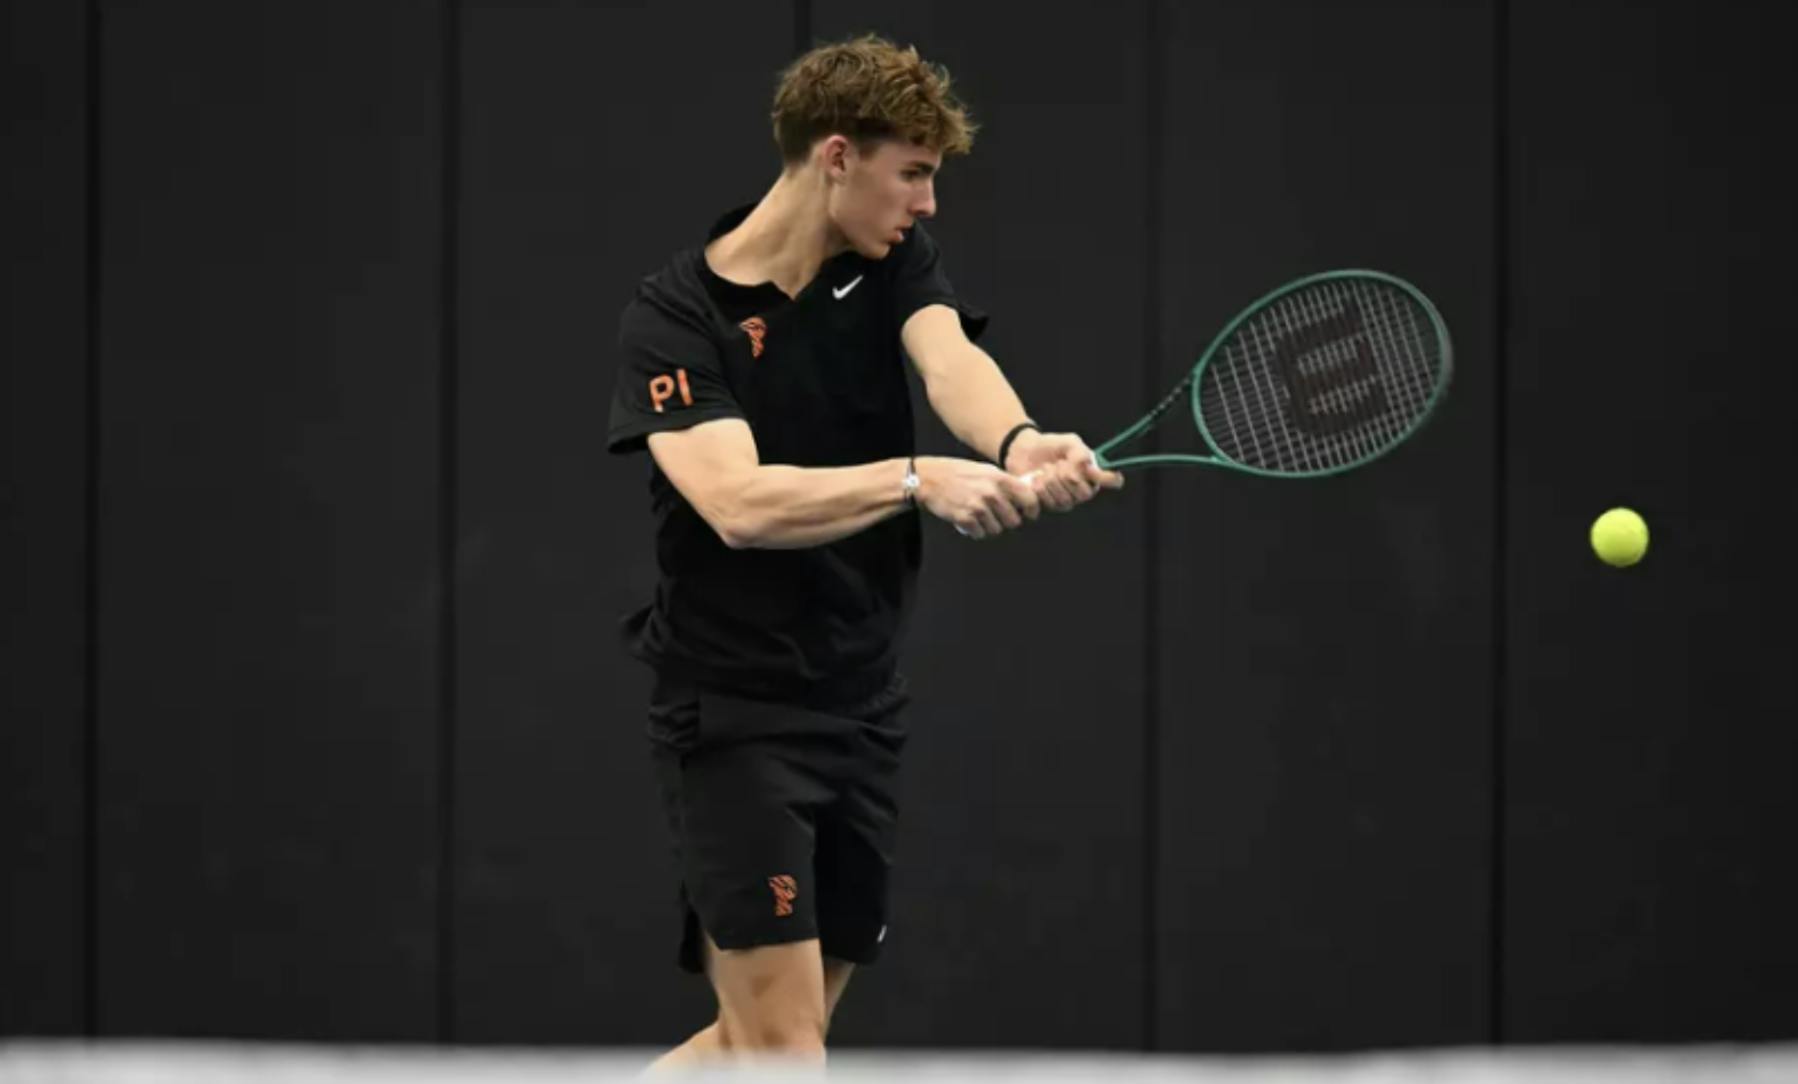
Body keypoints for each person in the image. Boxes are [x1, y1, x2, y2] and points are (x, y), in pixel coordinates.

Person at [604, 32, 1123, 1069]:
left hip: (860, 699)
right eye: (913, 175)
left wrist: (1017, 442)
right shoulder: (673, 321)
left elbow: (950, 358)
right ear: (835, 155)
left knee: (762, 1043)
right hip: (737, 716)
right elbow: (736, 502)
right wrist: (918, 478)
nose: (927, 204)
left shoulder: (890, 264)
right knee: (785, 1050)